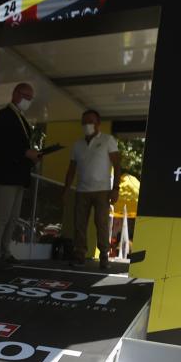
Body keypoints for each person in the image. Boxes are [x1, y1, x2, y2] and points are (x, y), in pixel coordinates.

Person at [0, 82, 41, 268]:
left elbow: (20, 147)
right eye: (26, 97)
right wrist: (26, 153)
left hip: (19, 176)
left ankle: (5, 251)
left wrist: (32, 156)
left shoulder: (21, 117)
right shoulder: (4, 116)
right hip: (6, 174)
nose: (28, 101)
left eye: (30, 99)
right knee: (2, 216)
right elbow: (2, 144)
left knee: (12, 218)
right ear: (16, 94)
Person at [63, 109, 120, 269]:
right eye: (84, 122)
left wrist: (116, 188)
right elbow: (71, 169)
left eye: (91, 122)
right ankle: (79, 255)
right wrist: (66, 189)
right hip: (81, 190)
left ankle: (104, 257)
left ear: (98, 124)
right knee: (79, 224)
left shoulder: (108, 140)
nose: (87, 125)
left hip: (103, 190)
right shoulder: (77, 144)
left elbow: (117, 165)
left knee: (101, 224)